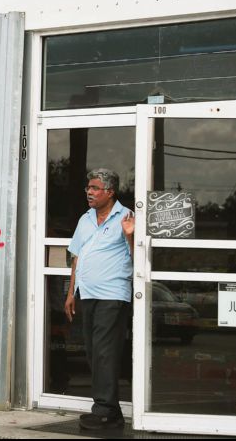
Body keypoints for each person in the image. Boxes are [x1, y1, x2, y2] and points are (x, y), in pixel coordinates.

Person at [64, 168, 134, 431]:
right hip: (88, 294)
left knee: (104, 352)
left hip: (112, 295)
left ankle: (104, 411)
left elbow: (138, 259)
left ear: (110, 191)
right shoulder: (86, 219)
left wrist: (130, 236)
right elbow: (77, 257)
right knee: (95, 353)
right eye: (88, 188)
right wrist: (71, 293)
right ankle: (112, 410)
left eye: (94, 188)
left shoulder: (126, 217)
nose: (89, 193)